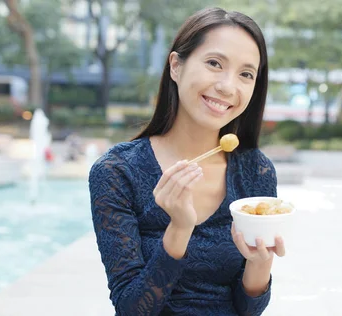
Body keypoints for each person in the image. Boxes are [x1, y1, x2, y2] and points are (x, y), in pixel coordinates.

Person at [88, 7, 285, 316]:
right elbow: (132, 309)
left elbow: (248, 309)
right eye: (214, 63)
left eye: (246, 74)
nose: (228, 86)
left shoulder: (255, 171)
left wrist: (261, 262)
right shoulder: (117, 172)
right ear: (176, 66)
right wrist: (179, 228)